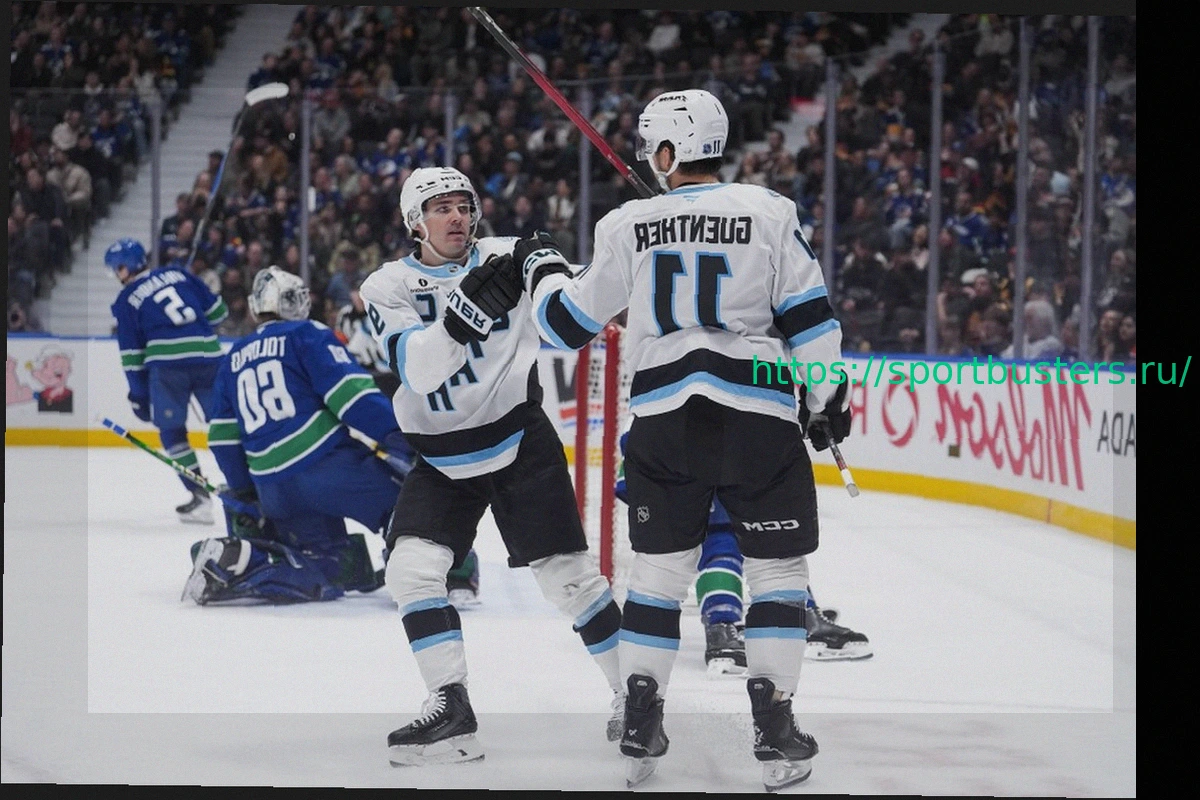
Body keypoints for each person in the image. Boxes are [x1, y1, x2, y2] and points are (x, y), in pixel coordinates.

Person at [522, 89, 850, 790]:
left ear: (669, 152)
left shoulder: (626, 223)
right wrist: (825, 401)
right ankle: (775, 728)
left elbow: (562, 326)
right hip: (757, 416)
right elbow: (814, 323)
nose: (649, 159)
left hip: (664, 419)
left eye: (653, 148)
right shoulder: (769, 210)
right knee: (777, 574)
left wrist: (544, 267)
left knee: (658, 576)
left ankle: (641, 716)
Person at [358, 167, 625, 766]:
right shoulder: (387, 285)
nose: (457, 216)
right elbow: (419, 370)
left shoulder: (508, 254)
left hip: (517, 438)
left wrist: (553, 267)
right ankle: (450, 707)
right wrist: (462, 315)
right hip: (441, 454)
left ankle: (635, 695)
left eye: (464, 205)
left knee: (570, 578)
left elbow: (580, 312)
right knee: (411, 570)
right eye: (441, 207)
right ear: (414, 222)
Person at [614, 435, 871, 673]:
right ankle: (724, 629)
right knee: (727, 541)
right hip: (697, 454)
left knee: (760, 538)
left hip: (692, 453)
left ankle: (783, 617)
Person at [107, 237, 229, 523]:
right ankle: (252, 490)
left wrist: (139, 395)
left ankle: (200, 499)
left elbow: (132, 357)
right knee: (228, 424)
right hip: (209, 358)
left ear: (126, 267)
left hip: (168, 368)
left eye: (117, 268)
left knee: (172, 432)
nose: (116, 274)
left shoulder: (125, 300)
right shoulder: (179, 273)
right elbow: (219, 313)